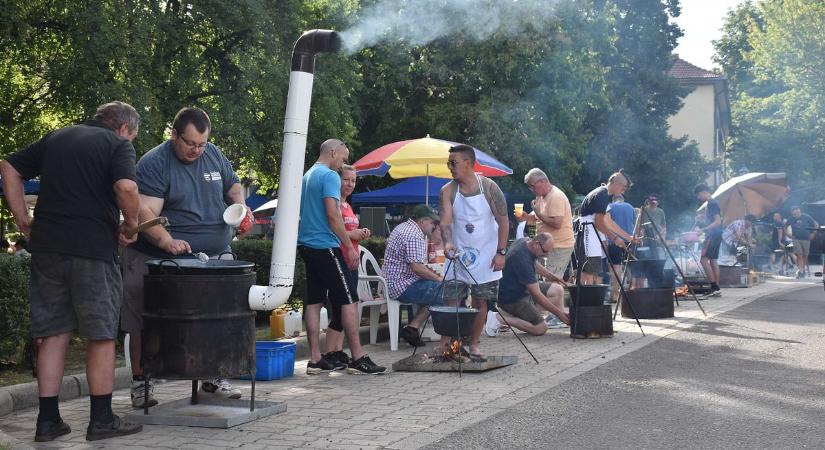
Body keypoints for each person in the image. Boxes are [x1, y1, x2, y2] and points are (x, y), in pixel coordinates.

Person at [0, 101, 143, 442]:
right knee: (101, 334)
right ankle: (102, 419)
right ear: (124, 128)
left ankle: (48, 421)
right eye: (134, 136)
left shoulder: (56, 137)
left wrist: (24, 221)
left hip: (47, 248)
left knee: (52, 333)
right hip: (92, 250)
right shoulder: (117, 145)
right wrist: (133, 226)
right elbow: (127, 188)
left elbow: (8, 168)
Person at [121, 107, 249, 408]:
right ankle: (142, 383)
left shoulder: (213, 153)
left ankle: (212, 376)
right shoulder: (155, 162)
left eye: (202, 144)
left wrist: (241, 204)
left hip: (215, 255)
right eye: (191, 143)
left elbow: (232, 184)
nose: (197, 150)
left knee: (218, 317)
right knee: (144, 320)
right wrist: (166, 240)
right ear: (174, 135)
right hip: (155, 257)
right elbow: (145, 212)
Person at [297, 138, 385, 375]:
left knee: (314, 301)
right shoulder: (329, 176)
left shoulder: (307, 176)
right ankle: (358, 357)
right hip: (325, 244)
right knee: (349, 300)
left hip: (306, 244)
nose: (342, 164)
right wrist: (347, 246)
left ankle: (316, 359)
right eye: (343, 158)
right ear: (333, 152)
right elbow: (333, 215)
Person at [440, 144, 509, 360]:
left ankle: (475, 344)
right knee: (452, 300)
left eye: (454, 163)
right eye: (448, 163)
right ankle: (453, 343)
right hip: (458, 255)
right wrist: (448, 243)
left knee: (481, 302)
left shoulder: (489, 187)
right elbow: (445, 223)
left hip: (487, 255)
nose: (450, 167)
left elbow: (504, 220)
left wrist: (501, 252)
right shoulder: (448, 191)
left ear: (468, 163)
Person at [323, 164, 371, 366]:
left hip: (352, 261)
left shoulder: (347, 205)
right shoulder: (332, 204)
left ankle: (337, 350)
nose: (350, 184)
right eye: (346, 180)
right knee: (342, 307)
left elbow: (350, 230)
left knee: (346, 307)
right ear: (337, 180)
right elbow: (332, 229)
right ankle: (329, 352)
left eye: (353, 180)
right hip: (339, 259)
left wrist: (361, 232)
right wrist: (351, 235)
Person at [383, 205, 445, 346]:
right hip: (402, 285)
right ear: (423, 221)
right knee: (444, 291)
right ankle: (448, 336)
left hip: (396, 282)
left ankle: (413, 328)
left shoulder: (403, 227)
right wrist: (439, 279)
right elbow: (417, 268)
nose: (433, 227)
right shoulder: (413, 235)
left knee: (436, 289)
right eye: (432, 223)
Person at [487, 233, 570, 336]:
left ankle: (556, 319)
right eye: (545, 251)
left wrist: (551, 276)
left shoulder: (524, 242)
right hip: (512, 299)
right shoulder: (522, 260)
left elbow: (534, 263)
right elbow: (536, 293)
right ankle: (499, 319)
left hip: (521, 290)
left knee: (557, 290)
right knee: (541, 328)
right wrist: (559, 313)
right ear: (536, 244)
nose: (546, 255)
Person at [577, 170, 636, 285]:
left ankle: (592, 299)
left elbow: (609, 223)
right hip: (590, 233)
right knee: (591, 270)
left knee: (596, 271)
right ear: (617, 184)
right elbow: (599, 223)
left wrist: (629, 238)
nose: (622, 192)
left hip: (595, 234)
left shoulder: (605, 195)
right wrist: (615, 238)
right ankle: (588, 301)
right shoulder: (602, 195)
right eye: (623, 189)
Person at [519, 168, 575, 279]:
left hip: (559, 246)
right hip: (544, 246)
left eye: (532, 186)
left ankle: (554, 296)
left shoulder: (556, 197)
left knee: (552, 280)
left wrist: (538, 214)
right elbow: (538, 219)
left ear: (542, 182)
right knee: (541, 280)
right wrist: (526, 217)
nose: (531, 190)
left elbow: (557, 223)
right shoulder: (540, 197)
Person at [694, 184, 722, 295]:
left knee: (703, 260)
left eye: (698, 195)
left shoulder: (712, 203)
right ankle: (716, 288)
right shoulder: (712, 203)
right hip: (717, 234)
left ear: (704, 192)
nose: (698, 198)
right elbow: (711, 221)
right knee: (713, 260)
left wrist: (704, 230)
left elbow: (717, 221)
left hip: (713, 235)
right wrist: (702, 219)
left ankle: (714, 286)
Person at [606, 195, 635, 303]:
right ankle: (632, 292)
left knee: (616, 266)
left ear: (613, 199)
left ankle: (615, 294)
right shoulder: (630, 207)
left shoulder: (609, 207)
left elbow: (607, 224)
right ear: (623, 199)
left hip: (614, 240)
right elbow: (634, 224)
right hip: (629, 240)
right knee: (629, 265)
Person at [786, 206, 819, 278]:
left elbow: (816, 224)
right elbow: (785, 226)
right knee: (799, 254)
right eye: (793, 214)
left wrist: (813, 233)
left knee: (805, 255)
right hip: (796, 239)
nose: (795, 215)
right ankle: (801, 271)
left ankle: (802, 269)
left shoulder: (806, 217)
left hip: (806, 239)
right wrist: (788, 234)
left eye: (796, 213)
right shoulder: (791, 218)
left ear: (799, 211)